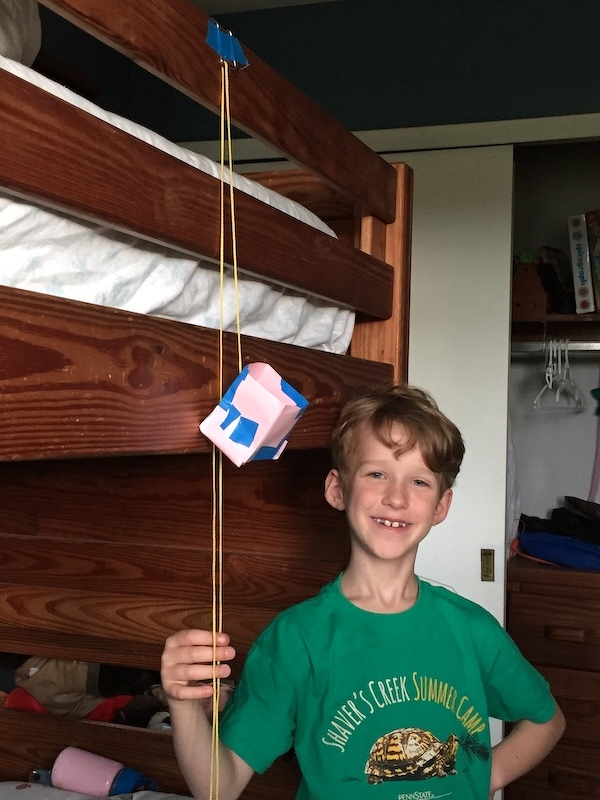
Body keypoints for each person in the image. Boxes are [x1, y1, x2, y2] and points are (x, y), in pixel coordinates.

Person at [161, 384, 565, 800]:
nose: (396, 498)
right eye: (377, 474)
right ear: (338, 489)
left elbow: (547, 720)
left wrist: (484, 778)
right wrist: (184, 704)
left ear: (441, 506)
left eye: (419, 481)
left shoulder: (472, 629)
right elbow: (219, 787)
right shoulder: (296, 638)